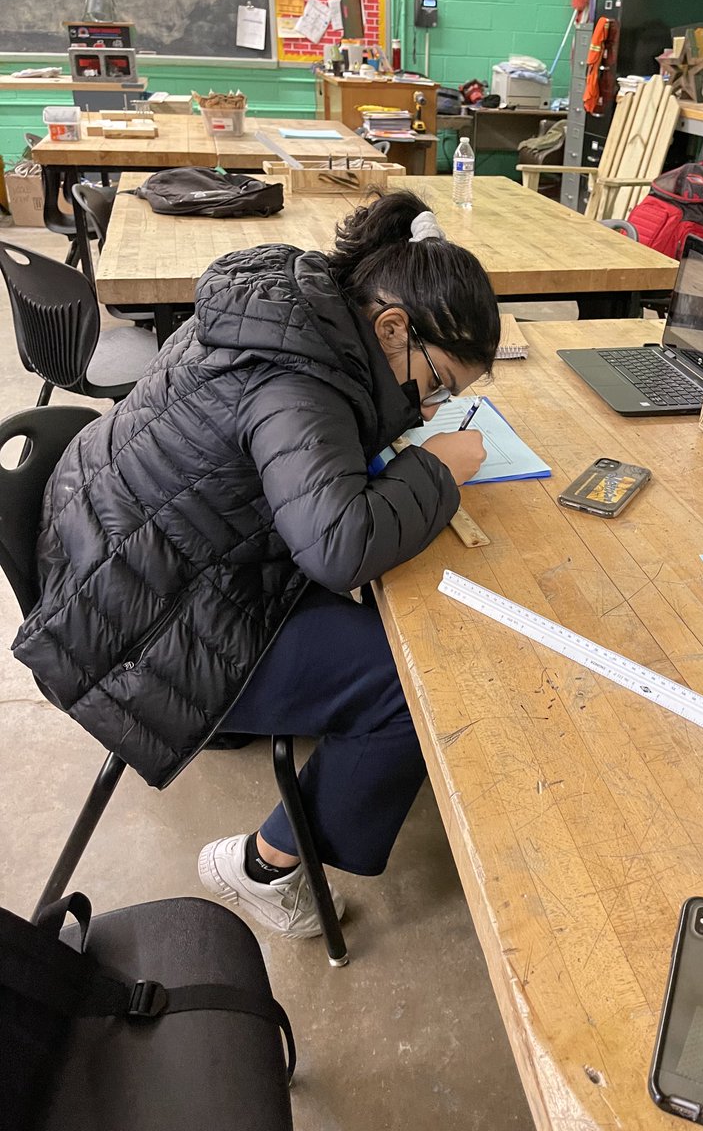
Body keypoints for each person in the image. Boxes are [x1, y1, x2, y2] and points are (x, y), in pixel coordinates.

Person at [13, 190, 500, 939]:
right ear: (392, 326)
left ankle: (286, 746)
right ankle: (263, 865)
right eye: (437, 383)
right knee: (414, 683)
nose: (433, 407)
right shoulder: (300, 382)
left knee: (390, 619)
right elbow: (337, 547)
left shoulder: (287, 308)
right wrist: (436, 472)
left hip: (116, 563)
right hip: (133, 632)